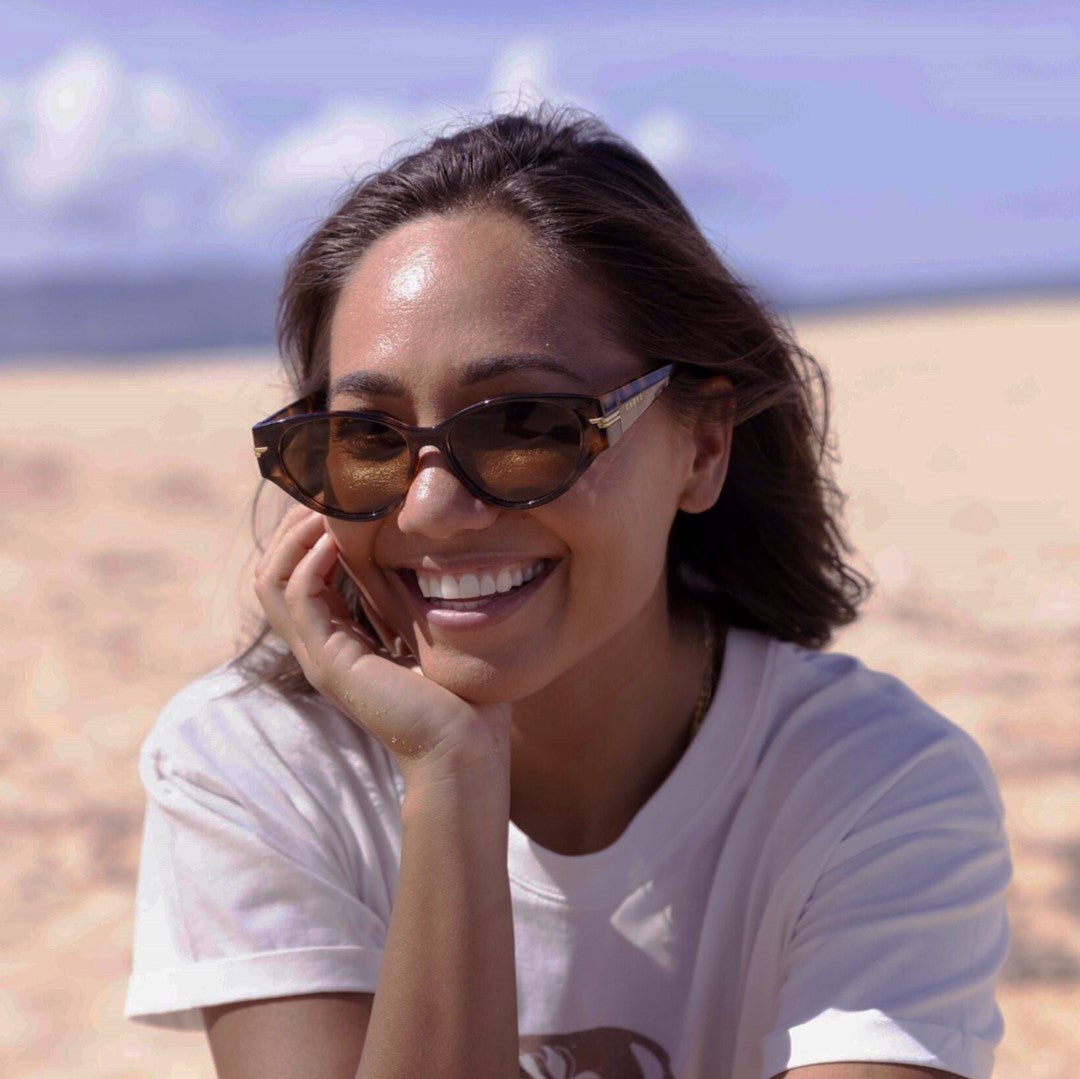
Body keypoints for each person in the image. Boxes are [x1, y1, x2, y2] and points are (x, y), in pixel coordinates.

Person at [124, 109, 1011, 1079]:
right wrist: (454, 776)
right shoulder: (258, 762)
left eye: (524, 423)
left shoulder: (866, 784)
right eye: (370, 437)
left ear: (703, 443)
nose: (431, 506)